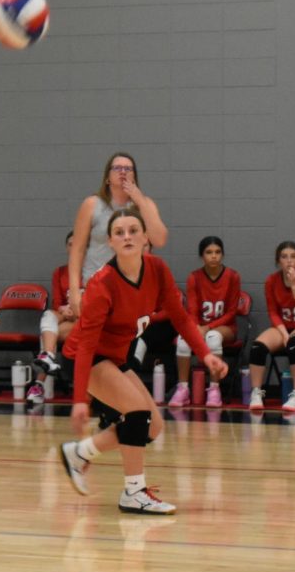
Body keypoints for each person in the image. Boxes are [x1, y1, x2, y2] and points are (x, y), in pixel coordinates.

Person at [57, 208, 227, 515]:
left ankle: (80, 452)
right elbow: (85, 347)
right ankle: (134, 491)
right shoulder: (102, 284)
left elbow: (181, 318)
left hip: (115, 357)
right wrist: (80, 399)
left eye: (133, 230)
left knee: (153, 426)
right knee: (136, 412)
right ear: (109, 242)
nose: (127, 237)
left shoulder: (158, 270)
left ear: (146, 238)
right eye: (119, 232)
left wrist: (206, 355)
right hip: (86, 356)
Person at [68, 152, 167, 319]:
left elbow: (160, 239)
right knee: (94, 340)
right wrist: (74, 290)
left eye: (128, 168)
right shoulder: (92, 204)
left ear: (134, 176)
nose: (123, 171)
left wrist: (140, 201)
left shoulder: (145, 204)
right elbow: (77, 250)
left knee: (124, 342)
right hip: (96, 283)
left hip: (131, 288)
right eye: (117, 168)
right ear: (107, 177)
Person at [247, 241, 295, 413]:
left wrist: (294, 284)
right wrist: (283, 333)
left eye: (293, 257)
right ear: (278, 261)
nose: (289, 261)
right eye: (284, 257)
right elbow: (273, 312)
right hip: (282, 327)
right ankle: (256, 393)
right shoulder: (271, 280)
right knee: (257, 347)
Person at [170, 236, 240, 408]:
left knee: (214, 337)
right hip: (199, 326)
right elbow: (192, 311)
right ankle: (183, 389)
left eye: (217, 252)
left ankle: (214, 389)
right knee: (182, 340)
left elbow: (231, 312)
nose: (214, 256)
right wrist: (195, 329)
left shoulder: (232, 276)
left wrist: (207, 327)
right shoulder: (194, 277)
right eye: (209, 252)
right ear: (202, 256)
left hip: (225, 328)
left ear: (222, 255)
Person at [28, 231, 76, 404]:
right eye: (71, 244)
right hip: (66, 316)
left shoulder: (95, 271)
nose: (74, 247)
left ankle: (38, 384)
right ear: (66, 247)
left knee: (49, 334)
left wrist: (78, 309)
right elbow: (56, 302)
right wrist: (63, 308)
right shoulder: (60, 272)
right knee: (48, 316)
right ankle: (47, 356)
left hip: (85, 319)